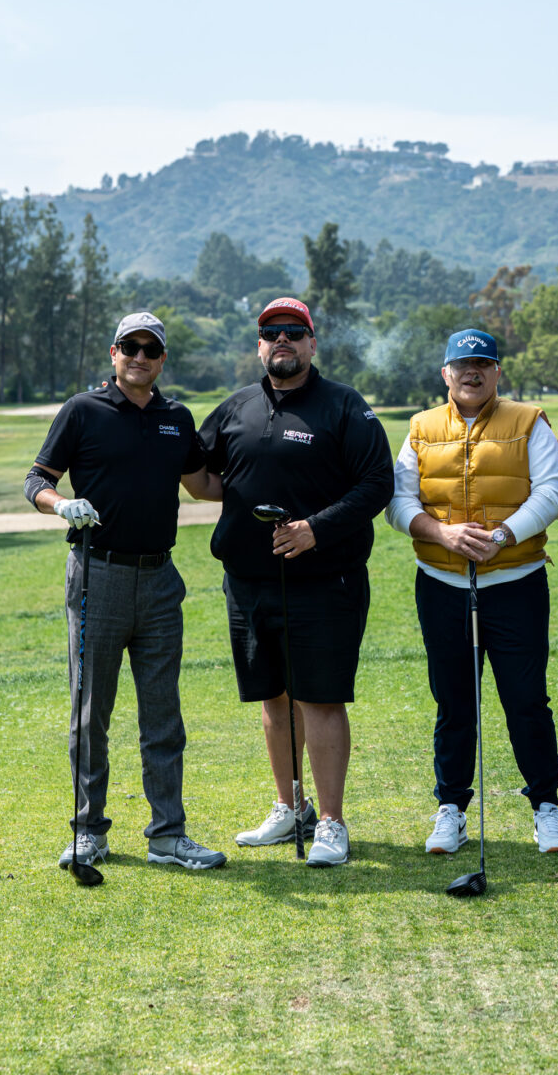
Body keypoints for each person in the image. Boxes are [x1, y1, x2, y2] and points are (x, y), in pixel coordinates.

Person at [25, 311, 226, 871]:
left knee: (164, 713)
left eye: (150, 349)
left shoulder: (176, 417)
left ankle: (168, 835)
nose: (140, 356)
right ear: (113, 353)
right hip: (98, 574)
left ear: (162, 359)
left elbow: (203, 483)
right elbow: (37, 480)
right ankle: (89, 830)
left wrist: (269, 486)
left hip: (161, 580)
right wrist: (60, 503)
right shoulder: (83, 410)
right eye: (129, 347)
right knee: (92, 711)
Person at [199, 297, 394, 868]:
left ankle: (331, 821)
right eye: (270, 333)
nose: (281, 340)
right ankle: (290, 808)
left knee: (320, 697)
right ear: (258, 346)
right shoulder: (235, 407)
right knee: (273, 697)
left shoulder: (344, 407)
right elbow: (206, 480)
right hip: (249, 581)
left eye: (293, 332)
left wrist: (315, 529)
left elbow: (376, 484)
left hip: (323, 578)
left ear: (312, 343)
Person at [386, 328, 558, 855]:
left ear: (497, 372)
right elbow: (397, 504)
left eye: (483, 364)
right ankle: (451, 808)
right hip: (442, 585)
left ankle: (546, 807)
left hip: (515, 584)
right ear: (445, 373)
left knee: (527, 700)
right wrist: (440, 533)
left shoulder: (528, 421)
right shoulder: (421, 428)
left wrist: (503, 535)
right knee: (453, 703)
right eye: (462, 364)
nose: (472, 372)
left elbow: (553, 492)